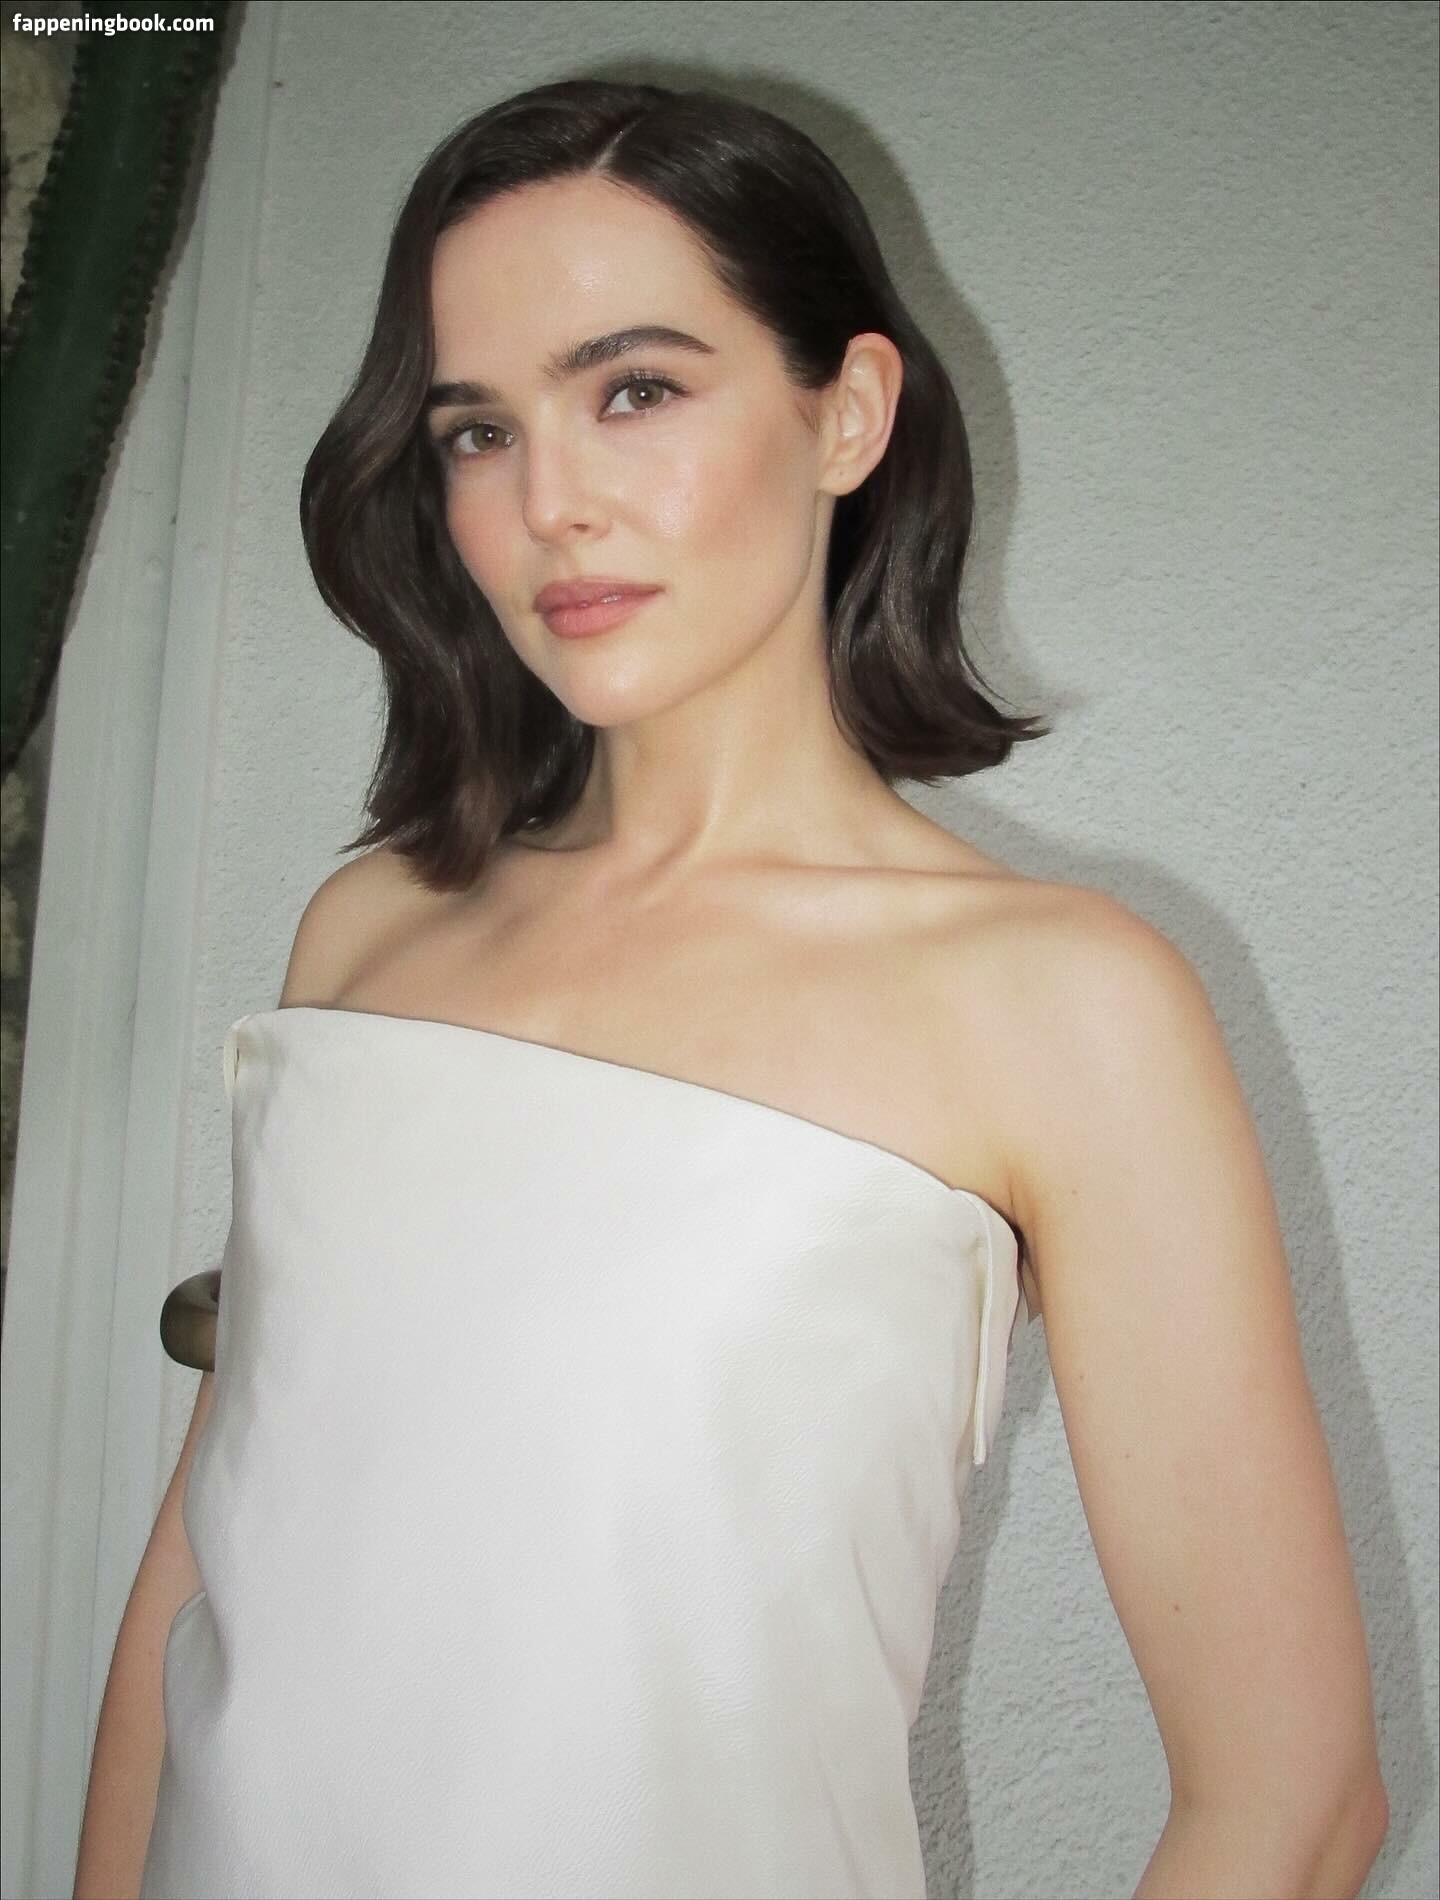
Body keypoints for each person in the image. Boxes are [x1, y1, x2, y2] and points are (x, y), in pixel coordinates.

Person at [74, 76, 1387, 1900]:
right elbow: (209, 1572)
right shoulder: (369, 932)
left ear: (847, 413)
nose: (549, 503)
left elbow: (1294, 1805)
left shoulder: (1062, 1005)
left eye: (634, 390)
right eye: (477, 430)